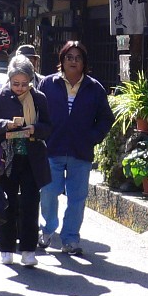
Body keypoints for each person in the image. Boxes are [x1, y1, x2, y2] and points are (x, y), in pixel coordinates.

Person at [37, 41, 113, 255]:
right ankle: (48, 229)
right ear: (62, 60)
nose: (73, 61)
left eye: (78, 57)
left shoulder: (94, 87)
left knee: (77, 198)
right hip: (53, 148)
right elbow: (37, 112)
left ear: (84, 62)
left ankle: (70, 239)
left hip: (81, 151)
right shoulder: (48, 84)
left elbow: (106, 119)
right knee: (49, 192)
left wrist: (93, 137)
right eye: (69, 57)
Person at [0, 57, 53, 266]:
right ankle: (6, 248)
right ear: (9, 80)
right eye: (16, 83)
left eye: (24, 84)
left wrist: (35, 129)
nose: (20, 88)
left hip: (32, 157)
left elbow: (48, 127)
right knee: (8, 202)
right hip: (6, 158)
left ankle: (28, 249)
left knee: (30, 204)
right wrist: (5, 125)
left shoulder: (39, 98)